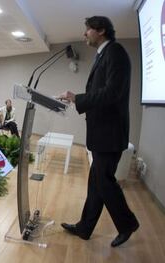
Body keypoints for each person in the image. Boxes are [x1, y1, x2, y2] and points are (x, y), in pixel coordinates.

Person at [59, 16, 139, 248]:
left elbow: (112, 92)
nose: (84, 34)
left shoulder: (115, 52)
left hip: (109, 134)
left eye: (88, 30)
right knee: (96, 183)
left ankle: (127, 224)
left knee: (103, 182)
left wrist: (78, 98)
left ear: (101, 30)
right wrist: (79, 99)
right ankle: (85, 227)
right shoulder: (104, 54)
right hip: (103, 132)